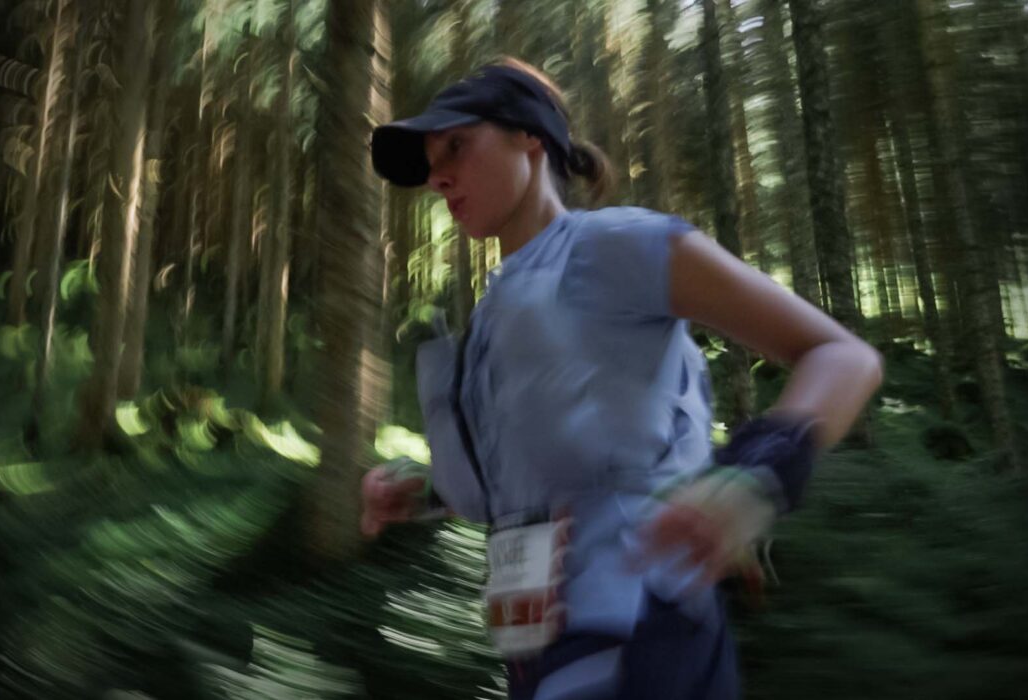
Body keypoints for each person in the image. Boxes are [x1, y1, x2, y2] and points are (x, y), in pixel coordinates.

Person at [361, 58, 882, 700]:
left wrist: (751, 480)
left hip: (646, 632)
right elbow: (535, 468)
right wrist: (424, 488)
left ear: (530, 136)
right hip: (538, 654)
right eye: (433, 164)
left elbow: (841, 356)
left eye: (457, 147)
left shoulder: (614, 245)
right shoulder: (496, 310)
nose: (439, 177)